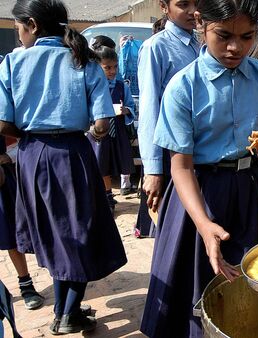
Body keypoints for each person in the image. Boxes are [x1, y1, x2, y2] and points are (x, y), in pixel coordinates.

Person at [140, 0, 258, 336]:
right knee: (197, 297)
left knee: (244, 290)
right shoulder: (183, 86)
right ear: (201, 23)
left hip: (246, 192)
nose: (236, 48)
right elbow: (181, 167)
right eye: (224, 36)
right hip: (198, 197)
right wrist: (204, 225)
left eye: (247, 37)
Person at [0, 0, 127, 334]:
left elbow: (2, 124)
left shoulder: (12, 63)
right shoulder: (82, 60)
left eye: (18, 28)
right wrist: (90, 134)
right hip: (73, 154)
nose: (18, 35)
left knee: (54, 233)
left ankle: (63, 310)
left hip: (29, 156)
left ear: (31, 24)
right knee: (80, 232)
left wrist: (31, 135)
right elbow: (102, 122)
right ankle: (68, 313)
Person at [136, 0, 200, 238]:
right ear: (164, 7)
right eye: (183, 4)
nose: (193, 11)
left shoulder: (200, 45)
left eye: (197, 3)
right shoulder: (156, 47)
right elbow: (149, 109)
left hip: (196, 151)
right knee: (173, 231)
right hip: (169, 154)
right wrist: (152, 171)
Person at [87, 46, 136, 214]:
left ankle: (113, 193)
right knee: (101, 165)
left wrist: (126, 110)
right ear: (97, 66)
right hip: (99, 134)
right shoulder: (92, 86)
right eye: (107, 67)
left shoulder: (122, 86)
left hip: (118, 132)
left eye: (115, 66)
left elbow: (131, 106)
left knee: (116, 163)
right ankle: (107, 196)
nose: (112, 71)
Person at [0, 135, 45, 310]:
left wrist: (11, 156)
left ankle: (26, 285)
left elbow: (19, 130)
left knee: (10, 233)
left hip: (3, 179)